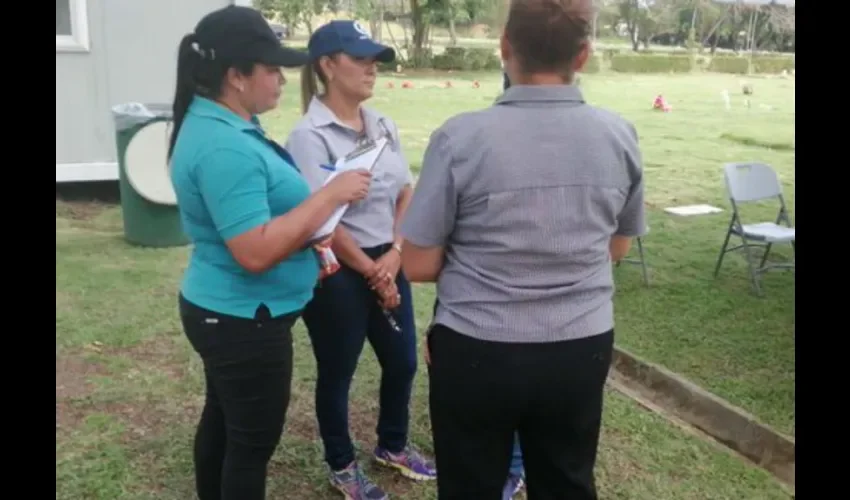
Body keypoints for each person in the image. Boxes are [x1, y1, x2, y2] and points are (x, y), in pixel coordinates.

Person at [401, 0, 646, 498]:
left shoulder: (459, 138)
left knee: (470, 483)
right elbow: (617, 247)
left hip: (477, 347)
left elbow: (418, 262)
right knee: (567, 480)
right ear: (583, 55)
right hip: (580, 345)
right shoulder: (619, 136)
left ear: (505, 47)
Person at [168, 6, 372, 500]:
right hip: (244, 320)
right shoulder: (224, 146)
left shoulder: (224, 125)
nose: (282, 79)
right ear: (236, 76)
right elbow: (254, 252)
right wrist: (328, 196)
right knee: (251, 442)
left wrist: (306, 231)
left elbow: (255, 225)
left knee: (225, 422)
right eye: (271, 68)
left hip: (228, 312)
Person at [284, 20, 437, 500]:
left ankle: (392, 445)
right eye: (360, 58)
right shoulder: (309, 136)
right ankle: (342, 466)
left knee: (403, 361)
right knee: (339, 371)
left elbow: (405, 191)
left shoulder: (383, 125)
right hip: (337, 268)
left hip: (388, 256)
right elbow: (320, 217)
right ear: (328, 65)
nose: (372, 67)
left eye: (375, 58)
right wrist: (371, 269)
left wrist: (394, 253)